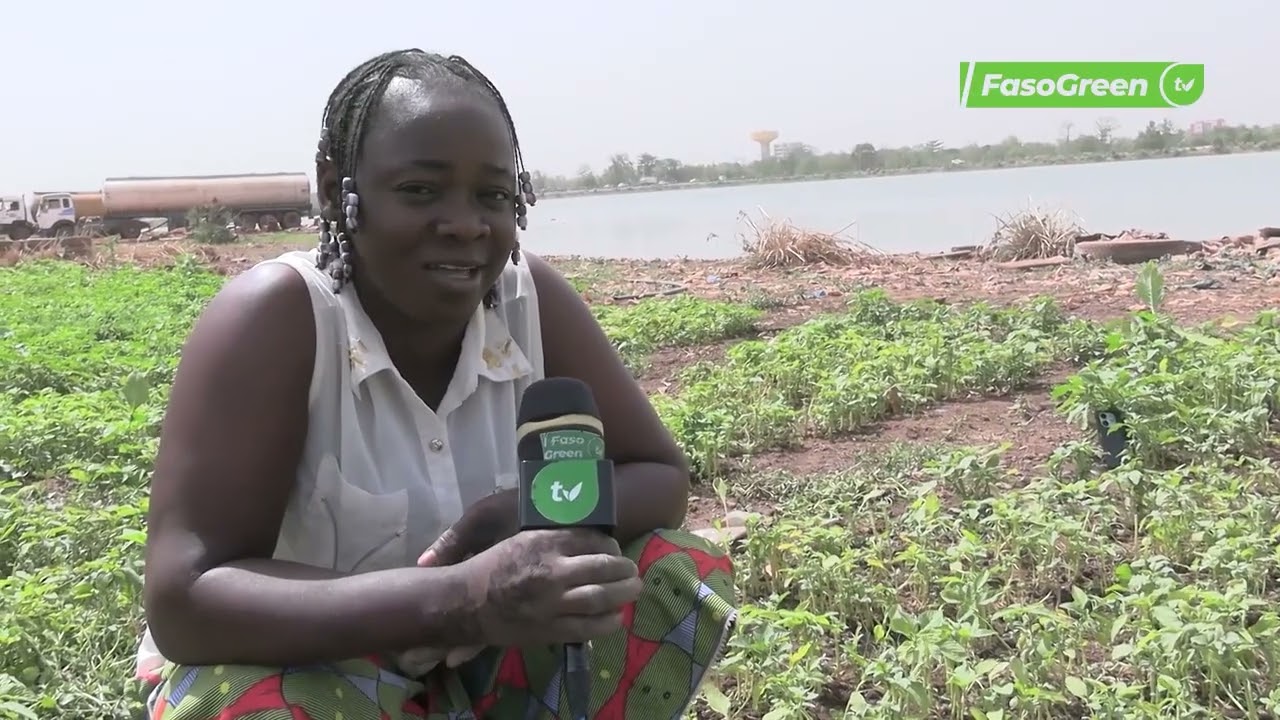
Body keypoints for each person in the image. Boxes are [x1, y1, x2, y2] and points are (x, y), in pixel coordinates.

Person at [134, 48, 737, 719]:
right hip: (314, 665)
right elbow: (185, 600)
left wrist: (511, 519)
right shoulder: (277, 318)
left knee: (666, 570)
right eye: (421, 191)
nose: (465, 223)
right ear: (337, 190)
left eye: (494, 195)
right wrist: (461, 598)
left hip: (487, 659)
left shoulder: (530, 301)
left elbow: (659, 474)